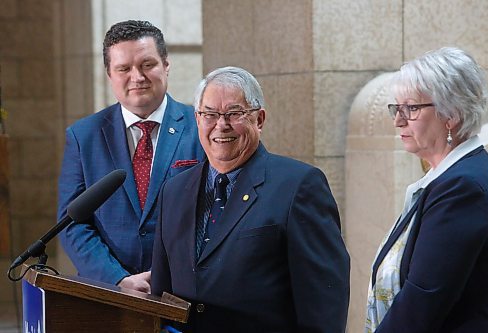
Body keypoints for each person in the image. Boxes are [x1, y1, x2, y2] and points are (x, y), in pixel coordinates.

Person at [151, 66, 350, 332]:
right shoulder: (173, 191)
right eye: (209, 114)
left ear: (259, 119)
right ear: (197, 119)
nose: (221, 125)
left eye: (234, 113)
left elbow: (324, 305)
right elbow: (161, 297)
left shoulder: (299, 186)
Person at [57, 20, 204, 292]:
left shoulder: (201, 128)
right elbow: (71, 223)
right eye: (124, 68)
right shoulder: (83, 136)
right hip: (111, 292)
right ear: (109, 74)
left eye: (147, 65)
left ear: (166, 66)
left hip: (186, 289)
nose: (137, 77)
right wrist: (118, 279)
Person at [366, 47, 488, 333]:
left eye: (411, 108)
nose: (398, 120)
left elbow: (422, 301)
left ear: (450, 114)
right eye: (396, 108)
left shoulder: (463, 187)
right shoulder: (456, 175)